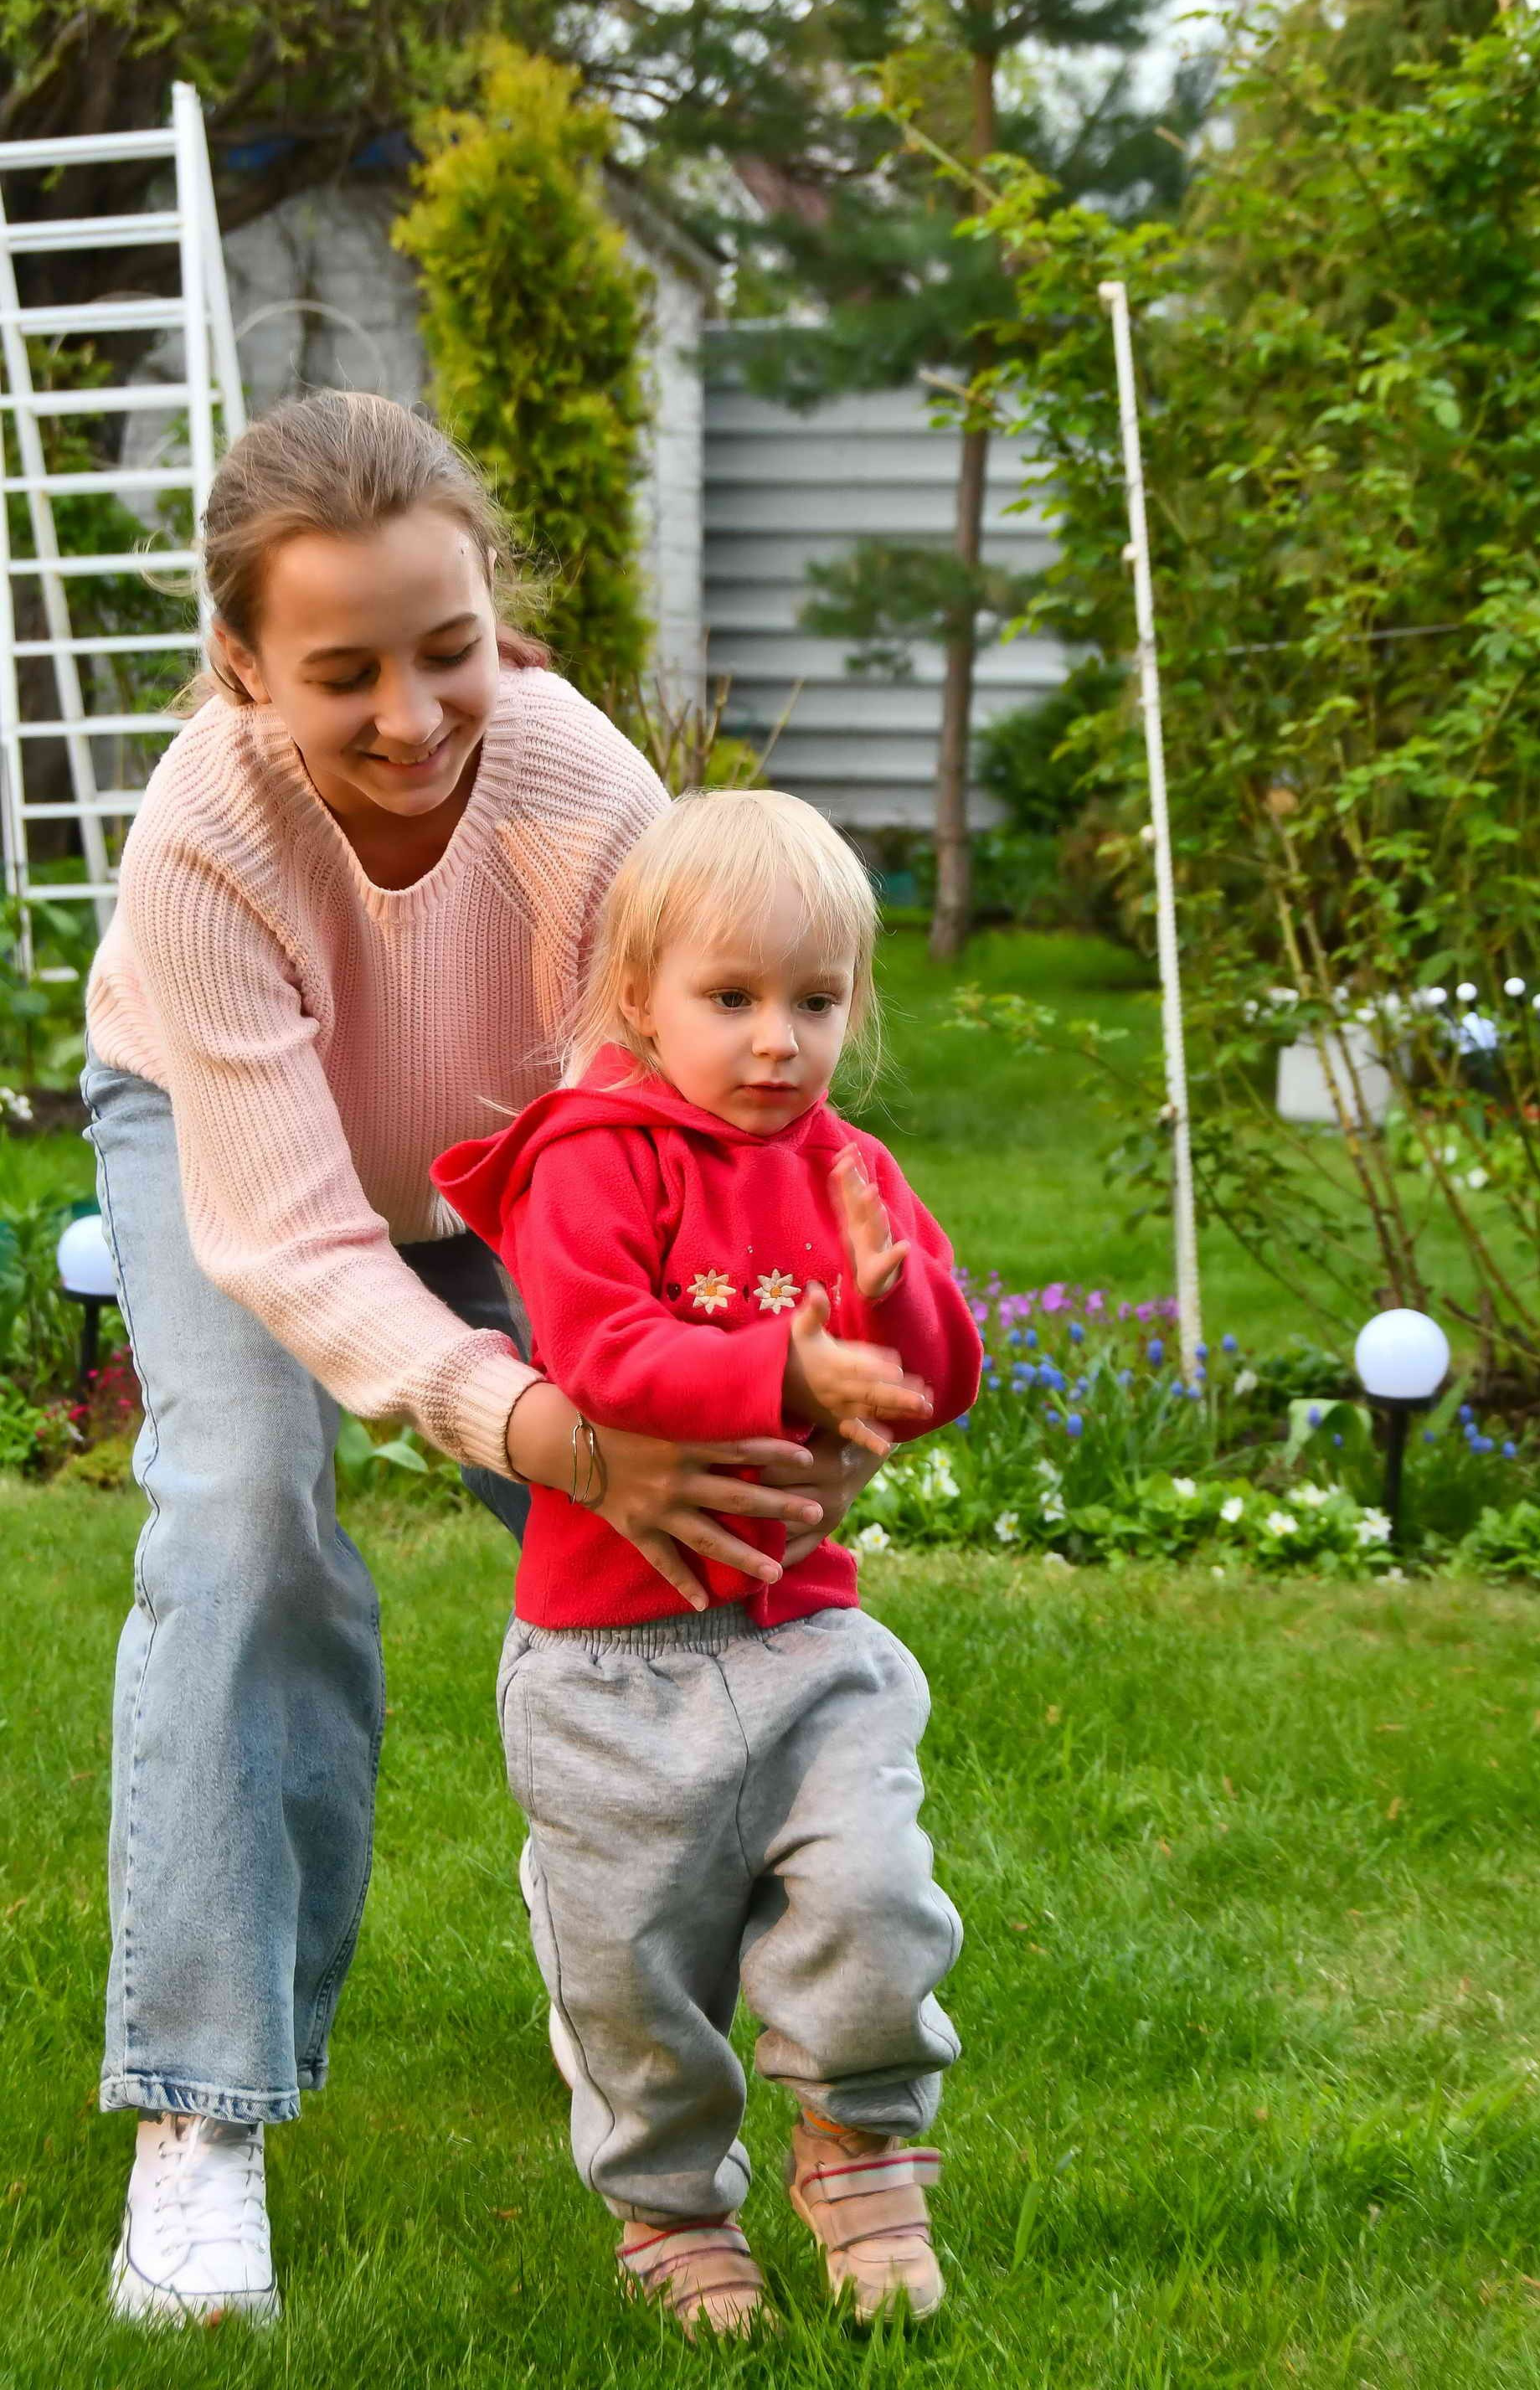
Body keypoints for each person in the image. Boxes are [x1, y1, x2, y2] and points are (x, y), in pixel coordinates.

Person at [83, 392, 873, 2327]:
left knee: (698, 1527)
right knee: (248, 1522)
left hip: (521, 1148)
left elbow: (659, 1133)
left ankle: (666, 1961)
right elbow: (284, 1233)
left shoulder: (580, 791)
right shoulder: (204, 836)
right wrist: (522, 1416)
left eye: (447, 653)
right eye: (342, 672)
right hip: (224, 1141)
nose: (413, 716)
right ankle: (201, 2113)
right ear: (241, 668)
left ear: (498, 625)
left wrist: (727, 1393)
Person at [431, 788, 983, 2336]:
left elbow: (940, 1374)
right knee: (634, 1975)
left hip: (807, 1640)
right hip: (613, 1662)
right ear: (637, 1001)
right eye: (730, 999)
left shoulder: (847, 1168)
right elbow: (604, 1356)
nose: (774, 1044)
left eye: (813, 1004)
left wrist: (898, 1309)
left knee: (876, 1900)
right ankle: (671, 2207)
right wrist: (796, 1371)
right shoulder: (590, 1157)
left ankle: (860, 2142)